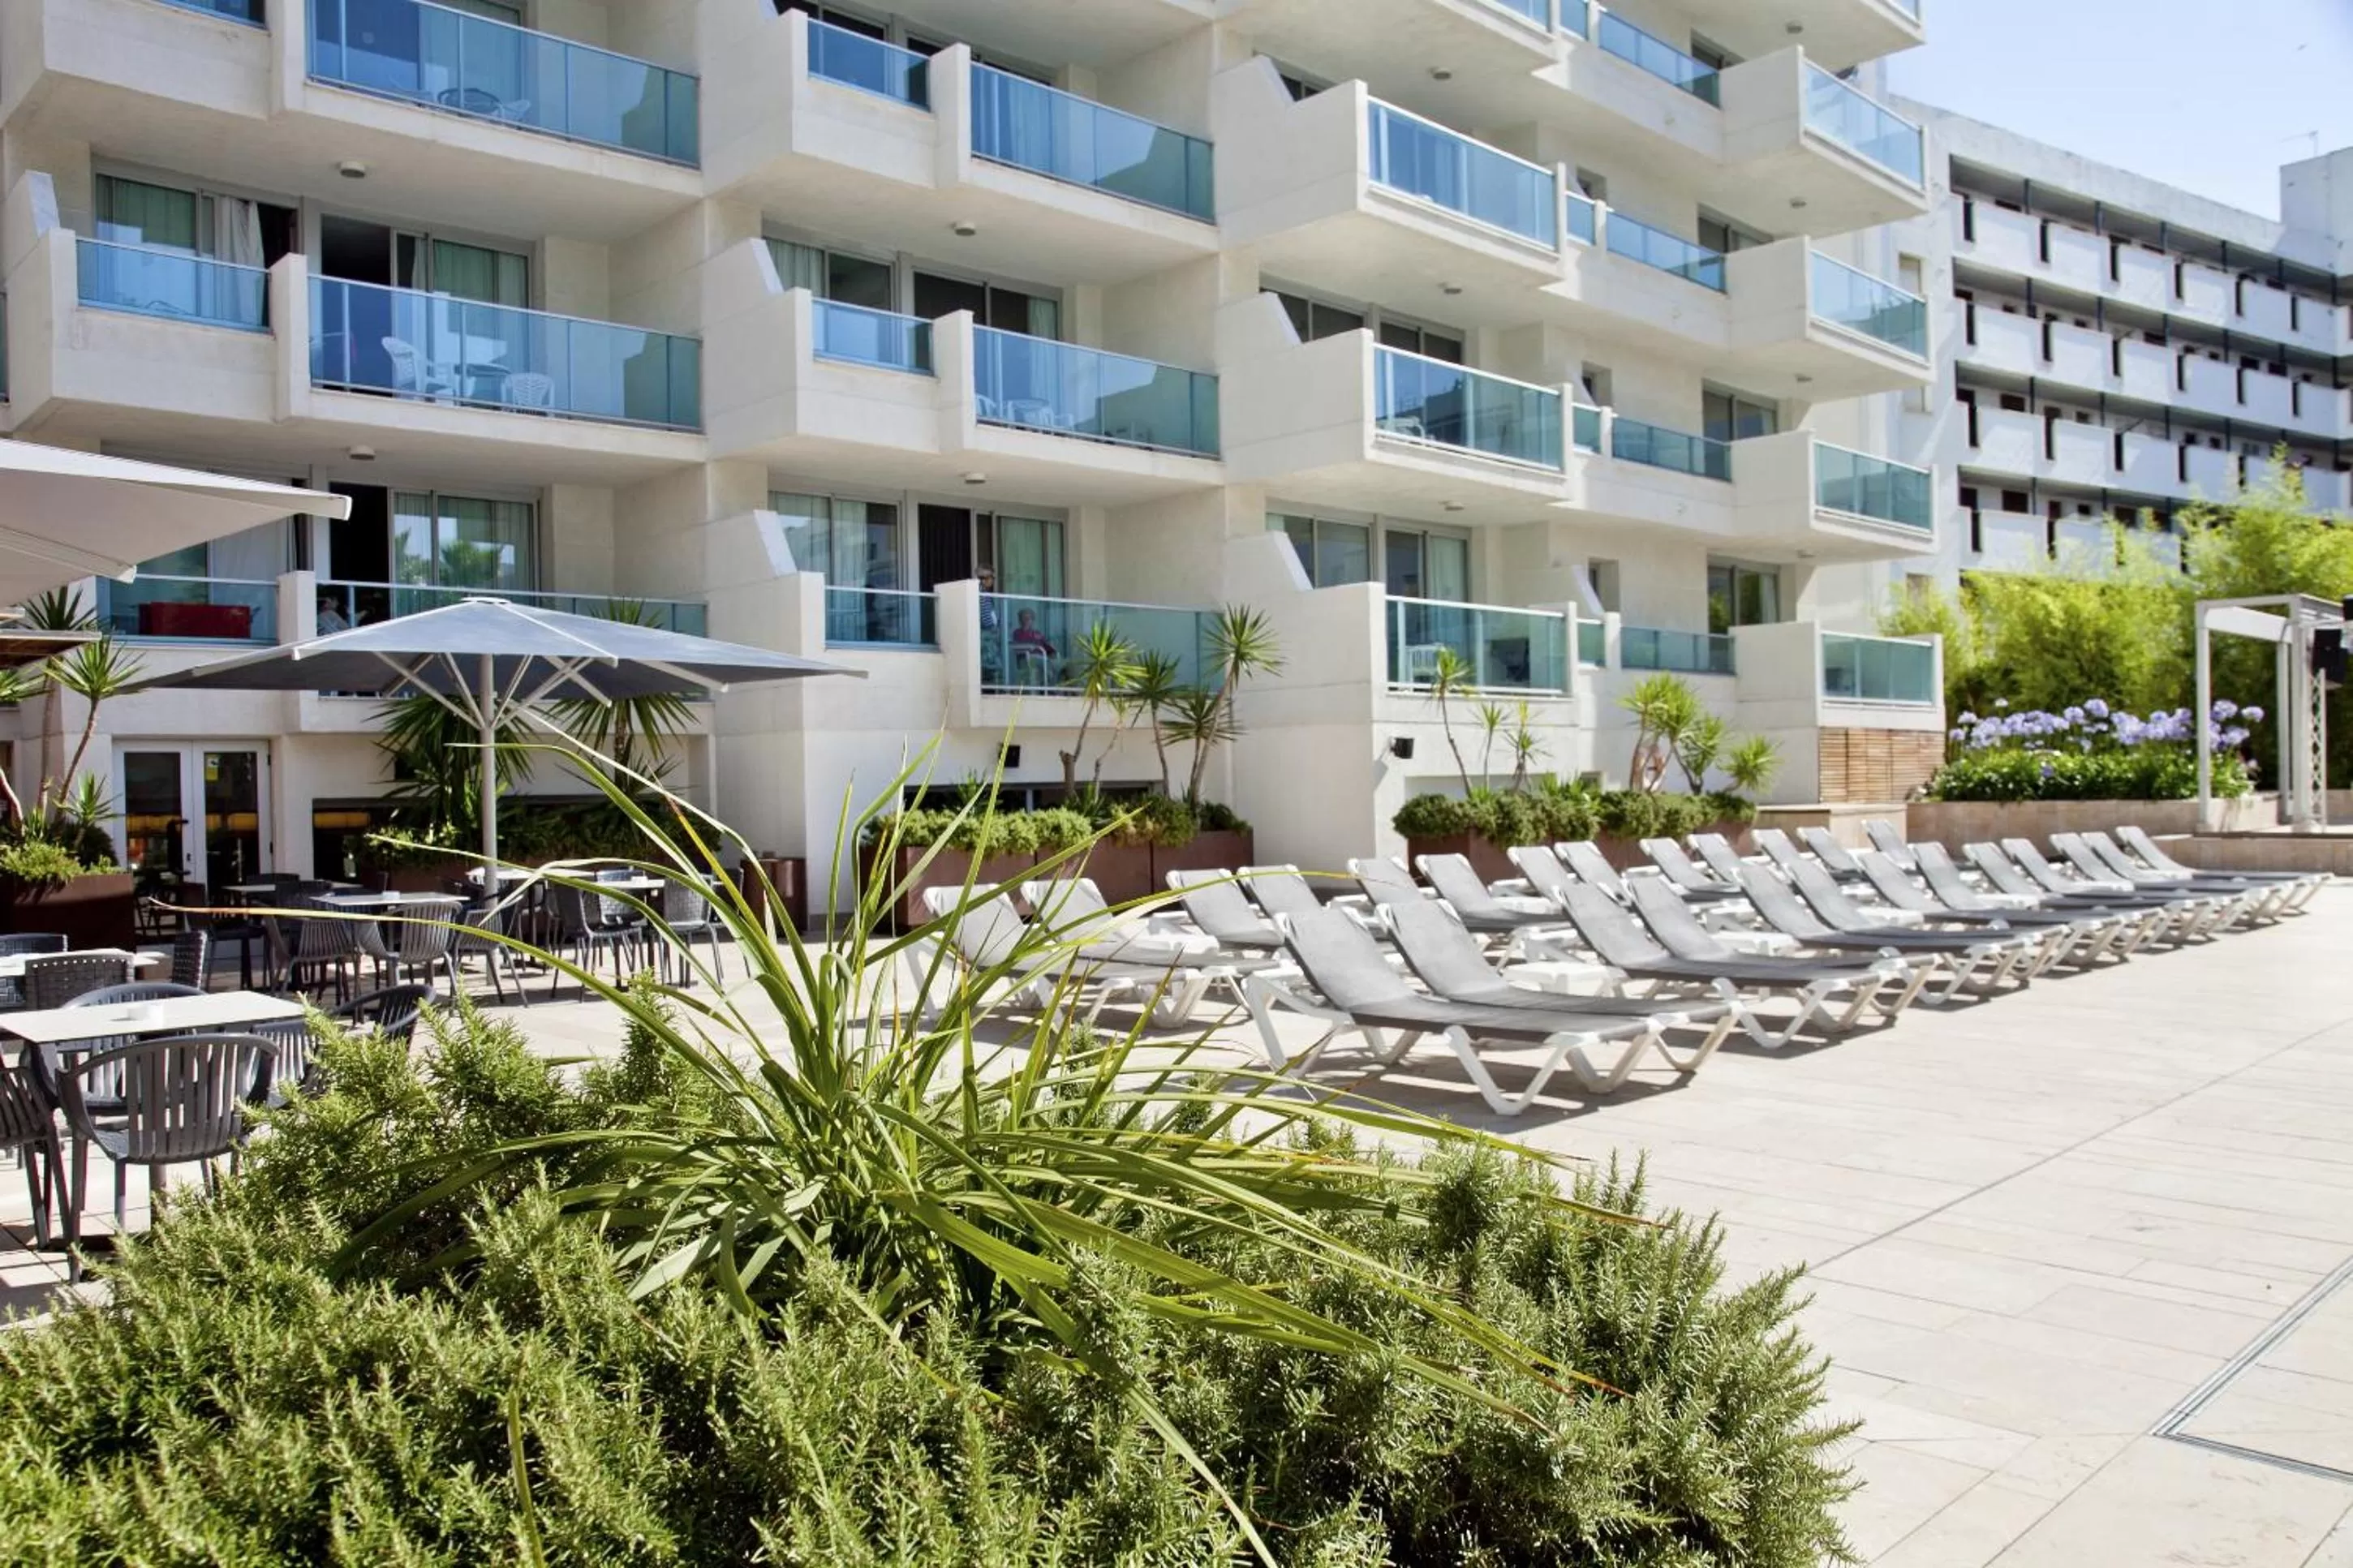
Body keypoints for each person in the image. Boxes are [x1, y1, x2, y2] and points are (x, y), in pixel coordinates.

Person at [1009, 608, 1056, 684]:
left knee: (1057, 663)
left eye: (1029, 618)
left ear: (1032, 620)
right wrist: (1030, 647)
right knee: (1047, 663)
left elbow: (1046, 645)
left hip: (1041, 657)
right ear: (1020, 620)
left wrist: (1052, 650)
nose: (1027, 620)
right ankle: (1050, 687)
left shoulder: (1037, 633)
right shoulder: (1017, 633)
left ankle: (1053, 687)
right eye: (1025, 618)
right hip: (1026, 658)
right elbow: (1015, 647)